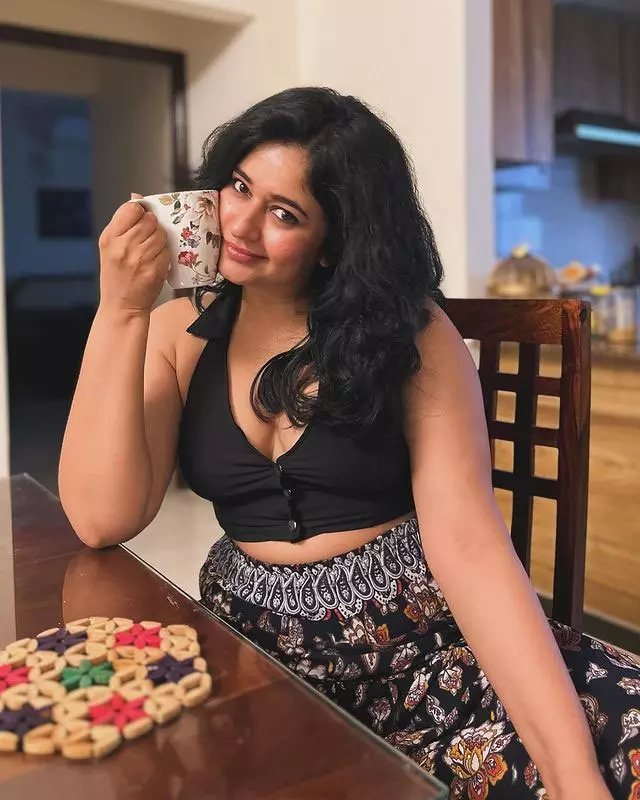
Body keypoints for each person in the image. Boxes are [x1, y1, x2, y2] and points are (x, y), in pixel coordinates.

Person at [59, 87, 639, 799]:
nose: (240, 223)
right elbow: (101, 517)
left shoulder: (411, 334)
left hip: (429, 660)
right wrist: (121, 309)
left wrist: (573, 776)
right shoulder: (178, 334)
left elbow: (470, 547)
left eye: (284, 213)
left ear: (335, 241)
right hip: (257, 669)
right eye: (238, 186)